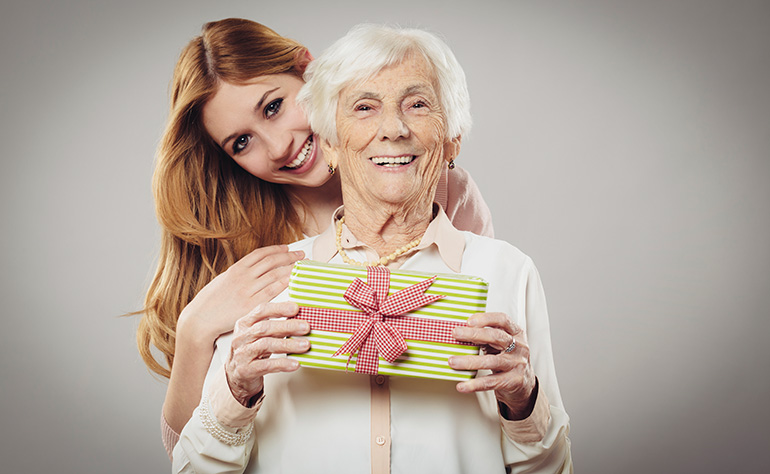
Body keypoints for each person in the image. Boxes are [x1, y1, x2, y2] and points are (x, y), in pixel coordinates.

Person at [173, 24, 572, 473]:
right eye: (241, 141)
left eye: (274, 106)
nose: (393, 129)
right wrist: (199, 339)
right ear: (332, 141)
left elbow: (541, 454)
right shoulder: (260, 272)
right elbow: (186, 455)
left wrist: (522, 403)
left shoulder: (497, 262)